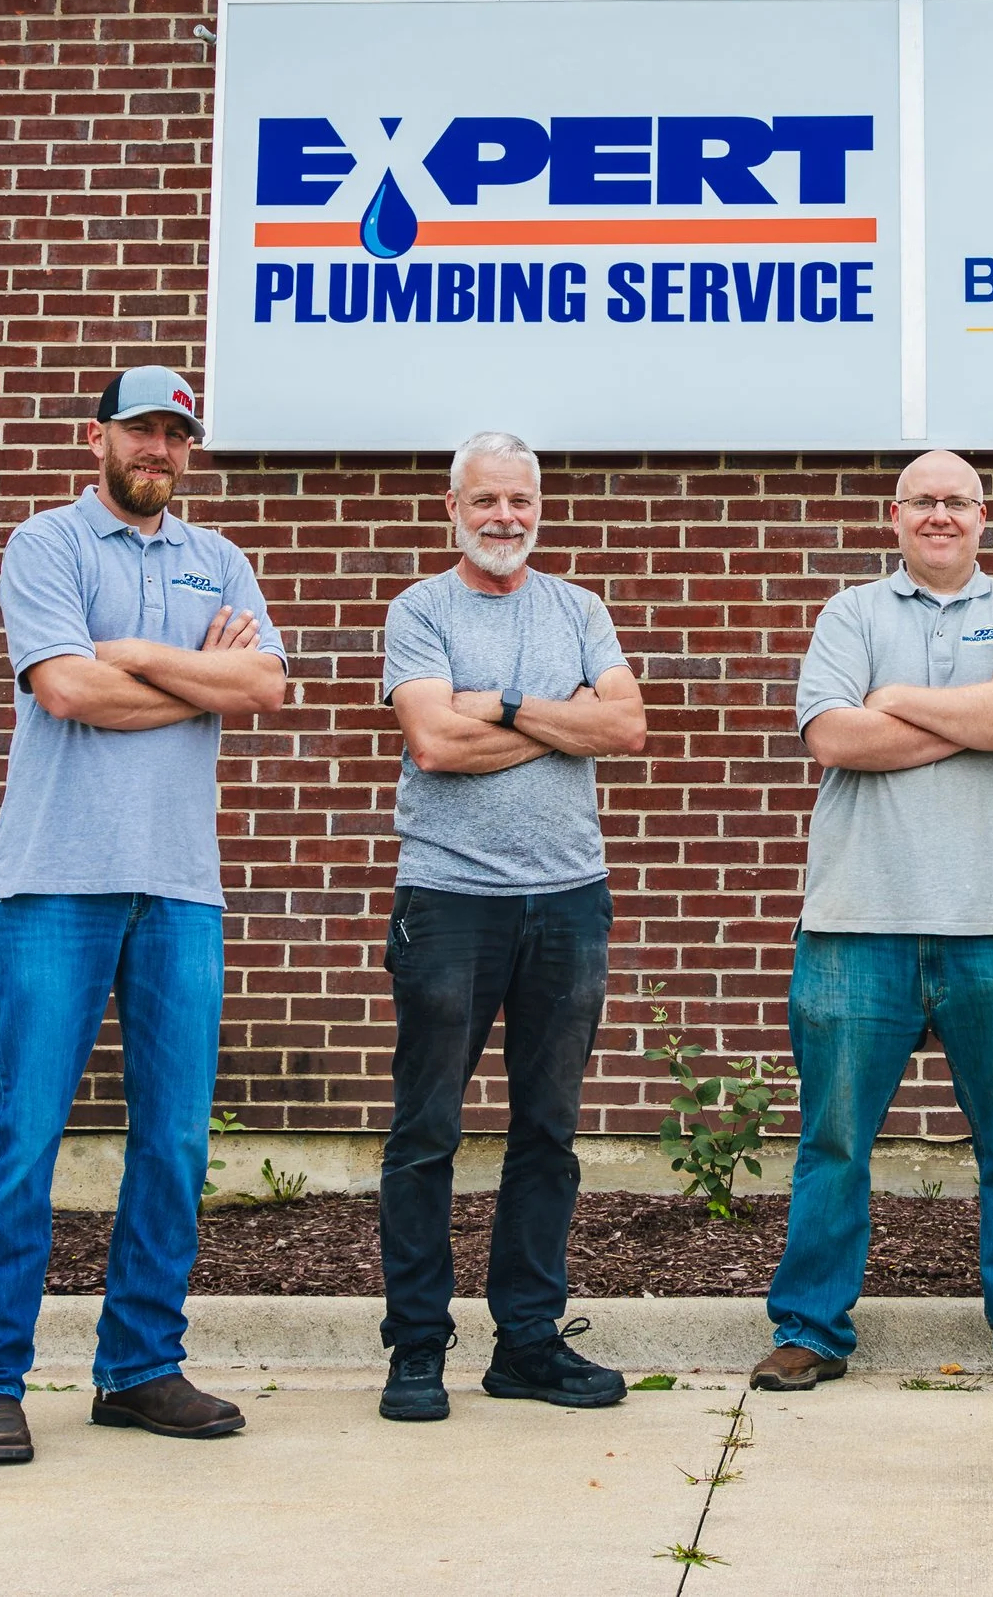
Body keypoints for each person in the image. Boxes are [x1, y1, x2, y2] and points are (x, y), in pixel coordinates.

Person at [0, 366, 288, 1466]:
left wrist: (131, 654)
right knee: (24, 1134)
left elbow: (267, 689)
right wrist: (192, 677)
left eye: (176, 434)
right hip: (52, 879)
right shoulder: (47, 544)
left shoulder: (218, 560)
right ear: (98, 437)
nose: (159, 448)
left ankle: (139, 1367)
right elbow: (63, 692)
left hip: (181, 885)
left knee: (177, 1141)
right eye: (141, 429)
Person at [751, 450, 993, 1393]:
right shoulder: (851, 612)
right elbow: (831, 736)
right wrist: (977, 709)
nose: (940, 515)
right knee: (833, 1142)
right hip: (857, 923)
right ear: (893, 516)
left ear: (984, 516)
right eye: (923, 502)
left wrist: (895, 700)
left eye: (958, 501)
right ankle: (811, 1330)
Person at [372, 432, 647, 1422]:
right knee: (426, 1130)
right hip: (449, 903)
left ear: (537, 509)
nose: (503, 518)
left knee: (548, 1131)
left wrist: (511, 703)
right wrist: (555, 721)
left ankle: (527, 1346)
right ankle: (415, 1350)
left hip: (569, 900)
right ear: (453, 508)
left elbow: (623, 727)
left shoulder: (580, 609)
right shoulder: (421, 610)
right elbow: (435, 743)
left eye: (519, 502)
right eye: (484, 500)